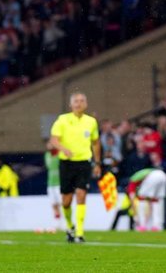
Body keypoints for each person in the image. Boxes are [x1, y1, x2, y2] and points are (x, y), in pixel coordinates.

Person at [50, 92, 101, 243]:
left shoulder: (91, 122)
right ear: (71, 105)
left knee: (81, 194)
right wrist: (63, 148)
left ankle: (79, 232)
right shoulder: (63, 120)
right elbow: (54, 139)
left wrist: (97, 163)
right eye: (76, 101)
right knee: (66, 201)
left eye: (82, 101)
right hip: (66, 163)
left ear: (86, 104)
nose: (79, 103)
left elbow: (96, 142)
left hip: (84, 162)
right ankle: (70, 226)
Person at [45, 140, 62, 232]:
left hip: (59, 183)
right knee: (54, 204)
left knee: (61, 203)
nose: (49, 145)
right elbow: (49, 166)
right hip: (50, 183)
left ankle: (66, 223)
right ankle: (57, 223)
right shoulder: (47, 155)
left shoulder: (60, 155)